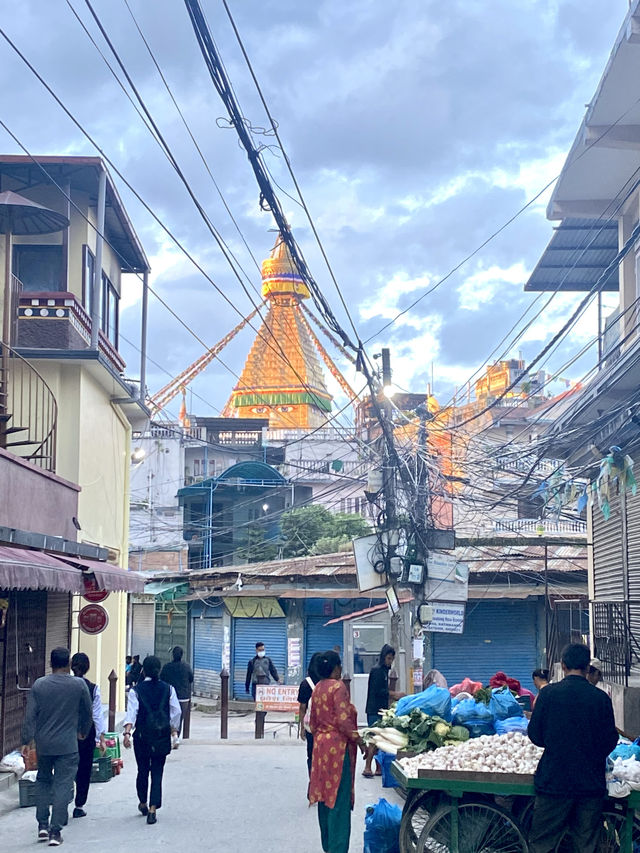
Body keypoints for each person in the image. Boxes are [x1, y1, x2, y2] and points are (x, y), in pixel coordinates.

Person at [527, 643, 618, 853]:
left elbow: (535, 735)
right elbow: (609, 740)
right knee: (585, 845)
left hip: (554, 782)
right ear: (587, 668)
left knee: (543, 844)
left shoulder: (548, 694)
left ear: (563, 665)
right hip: (589, 785)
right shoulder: (600, 698)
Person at [21, 647, 92, 847]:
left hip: (44, 744)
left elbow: (30, 716)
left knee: (43, 781)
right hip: (68, 744)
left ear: (51, 663)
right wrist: (83, 732)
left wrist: (26, 741)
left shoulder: (39, 685)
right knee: (62, 784)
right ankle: (55, 831)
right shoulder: (78, 685)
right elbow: (87, 713)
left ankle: (42, 824)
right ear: (68, 664)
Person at [308, 650, 365, 853]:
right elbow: (343, 720)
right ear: (334, 668)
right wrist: (359, 739)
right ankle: (338, 849)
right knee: (339, 802)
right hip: (337, 751)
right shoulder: (338, 687)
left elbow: (312, 723)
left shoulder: (317, 689)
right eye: (339, 665)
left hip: (320, 749)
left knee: (324, 798)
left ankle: (328, 845)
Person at [123, 655, 181, 825]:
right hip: (161, 736)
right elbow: (176, 712)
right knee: (157, 771)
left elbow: (131, 714)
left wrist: (127, 733)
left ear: (143, 670)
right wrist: (173, 729)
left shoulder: (136, 691)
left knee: (142, 769)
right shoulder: (168, 689)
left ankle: (142, 801)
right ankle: (153, 809)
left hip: (142, 736)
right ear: (159, 670)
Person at [70, 652, 107, 819]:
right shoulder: (93, 688)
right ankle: (79, 805)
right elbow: (97, 714)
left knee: (65, 768)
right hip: (86, 732)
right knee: (84, 768)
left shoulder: (64, 685)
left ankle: (61, 803)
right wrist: (101, 738)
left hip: (66, 731)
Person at [363, 644, 402, 778]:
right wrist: (393, 694)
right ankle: (367, 766)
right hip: (374, 710)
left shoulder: (384, 671)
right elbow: (377, 691)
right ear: (383, 657)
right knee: (375, 739)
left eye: (392, 659)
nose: (390, 661)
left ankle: (379, 767)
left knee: (380, 739)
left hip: (381, 709)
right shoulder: (377, 671)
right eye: (388, 658)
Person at [160, 646, 194, 749]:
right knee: (179, 718)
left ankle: (170, 737)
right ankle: (176, 737)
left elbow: (162, 679)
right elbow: (191, 679)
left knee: (168, 716)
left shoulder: (167, 667)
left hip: (170, 696)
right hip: (184, 697)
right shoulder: (186, 667)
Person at [298, 652, 323, 776]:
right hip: (326, 727)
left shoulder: (305, 683)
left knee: (311, 754)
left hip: (311, 727)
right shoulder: (328, 682)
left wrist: (302, 727)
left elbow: (302, 707)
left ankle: (313, 780)